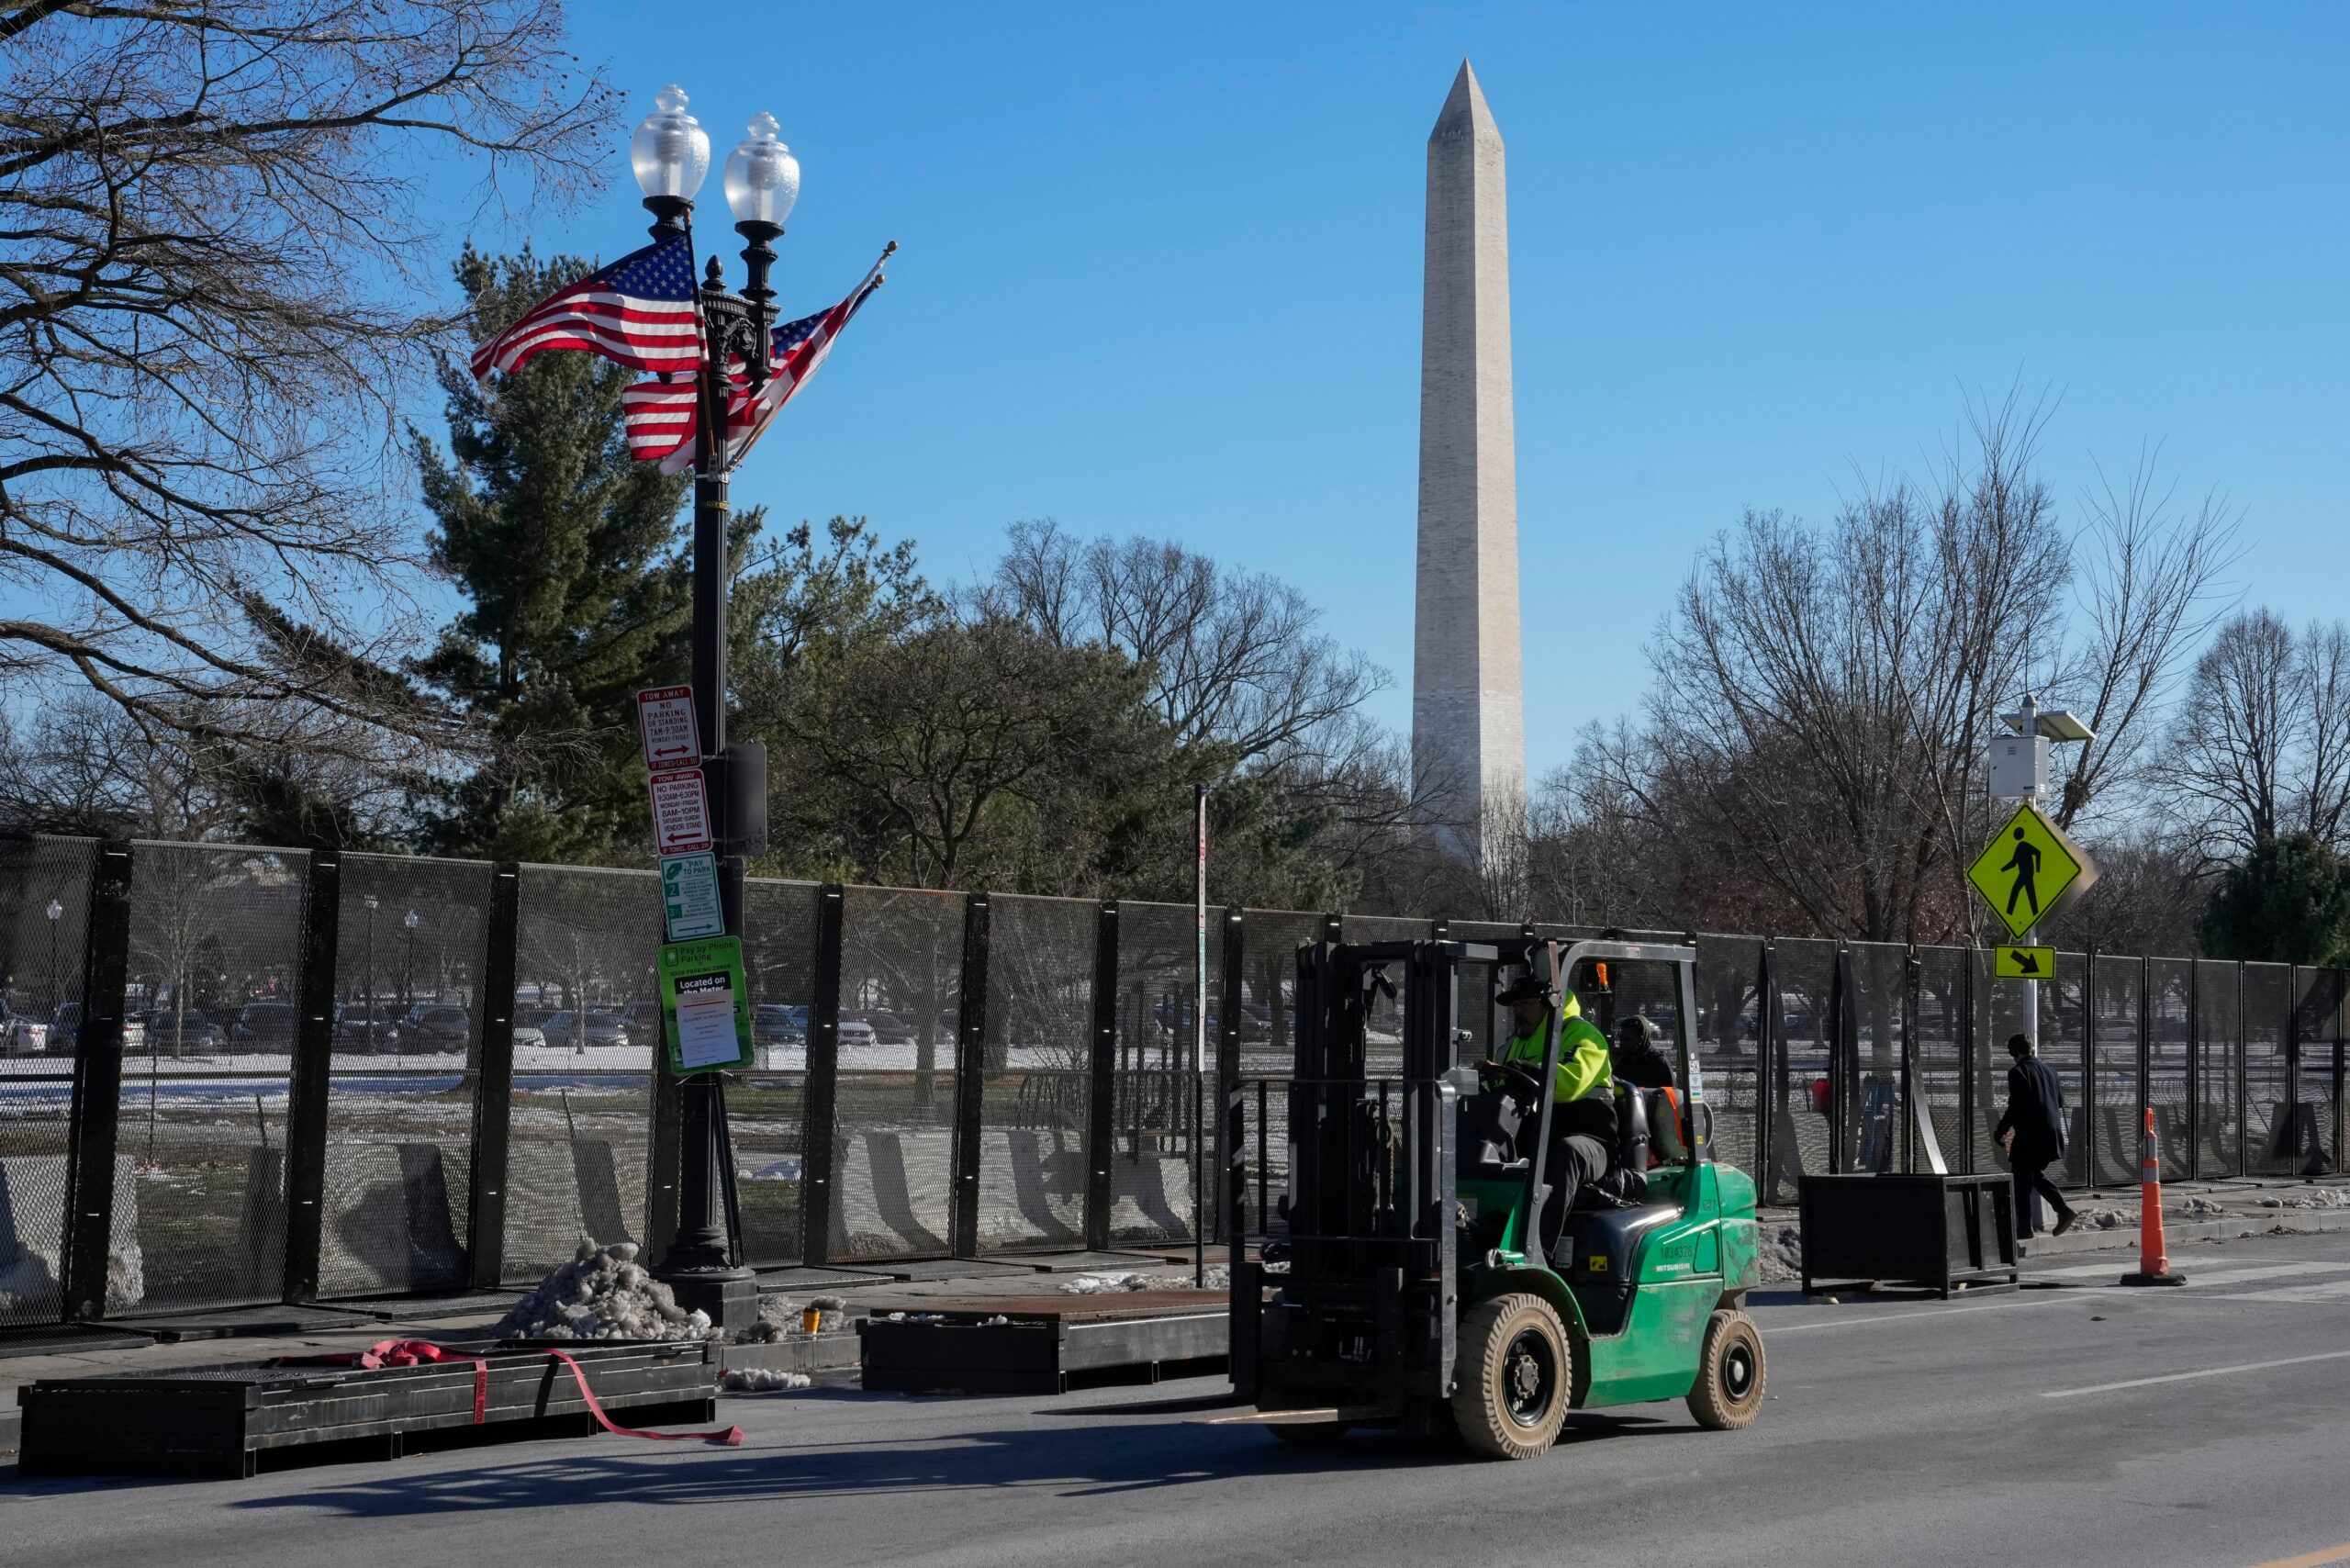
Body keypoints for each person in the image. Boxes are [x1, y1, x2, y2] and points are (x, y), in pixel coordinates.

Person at [1490, 972, 1641, 1243]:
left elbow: (1569, 1082)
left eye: (1525, 1004)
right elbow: (1494, 1092)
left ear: (1549, 1004)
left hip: (1591, 1141)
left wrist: (1519, 1071)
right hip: (1537, 1136)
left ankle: (1537, 1249)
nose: (1517, 1012)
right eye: (1515, 1006)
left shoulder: (1583, 1036)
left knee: (1568, 1151)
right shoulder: (1511, 1047)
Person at [1995, 1032, 2076, 1238]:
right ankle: (2053, 1214)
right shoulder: (2050, 1071)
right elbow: (2059, 1102)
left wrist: (2001, 1130)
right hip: (2052, 1134)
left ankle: (2030, 1225)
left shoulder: (2018, 1072)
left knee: (2023, 1178)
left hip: (2030, 1135)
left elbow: (2016, 1107)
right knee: (2030, 1175)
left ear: (2013, 1052)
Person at [1611, 1014, 1676, 1090]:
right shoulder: (1620, 1058)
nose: (1622, 1043)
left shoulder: (1658, 1062)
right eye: (1621, 1038)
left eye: (1627, 1040)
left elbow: (1670, 1095)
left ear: (1640, 1039)